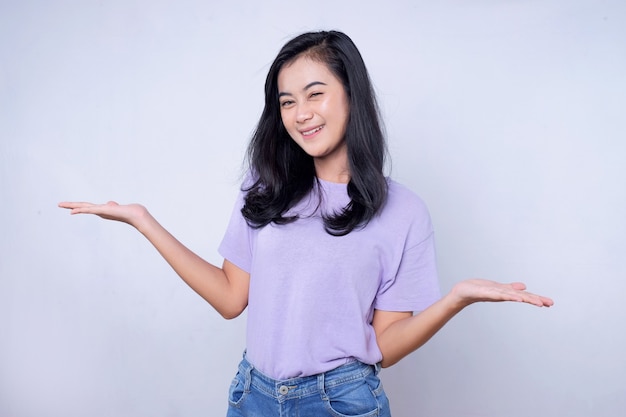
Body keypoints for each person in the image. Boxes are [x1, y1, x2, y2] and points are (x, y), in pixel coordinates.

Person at [59, 30, 553, 417]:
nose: (300, 114)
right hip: (252, 395)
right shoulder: (267, 184)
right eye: (287, 101)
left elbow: (385, 347)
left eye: (314, 94)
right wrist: (145, 222)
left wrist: (454, 299)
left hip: (341, 402)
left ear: (351, 97)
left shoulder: (403, 211)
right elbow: (232, 298)